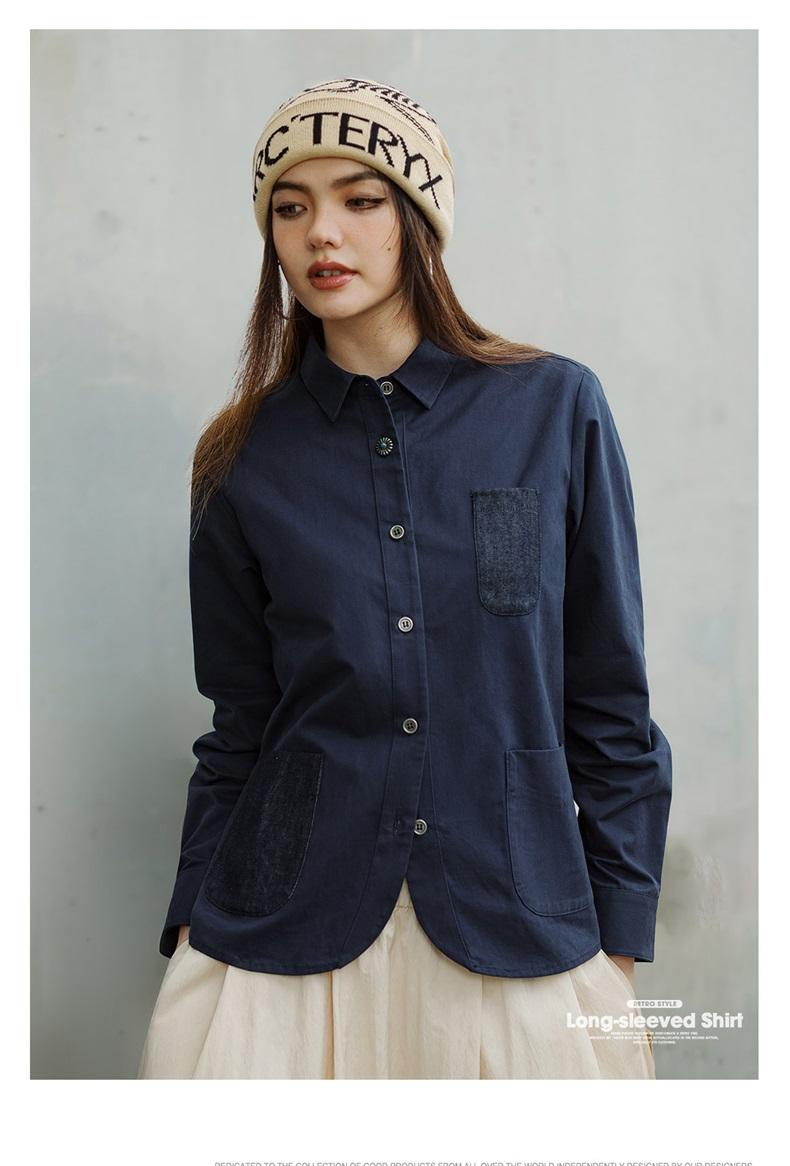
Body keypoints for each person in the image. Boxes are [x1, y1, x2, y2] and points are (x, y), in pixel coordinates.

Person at [136, 77, 671, 1080]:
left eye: (360, 199)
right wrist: (192, 918)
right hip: (285, 937)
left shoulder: (552, 410)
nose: (320, 233)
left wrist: (619, 935)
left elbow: (609, 700)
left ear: (419, 219)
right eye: (289, 208)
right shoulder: (241, 456)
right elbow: (241, 721)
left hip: (517, 918)